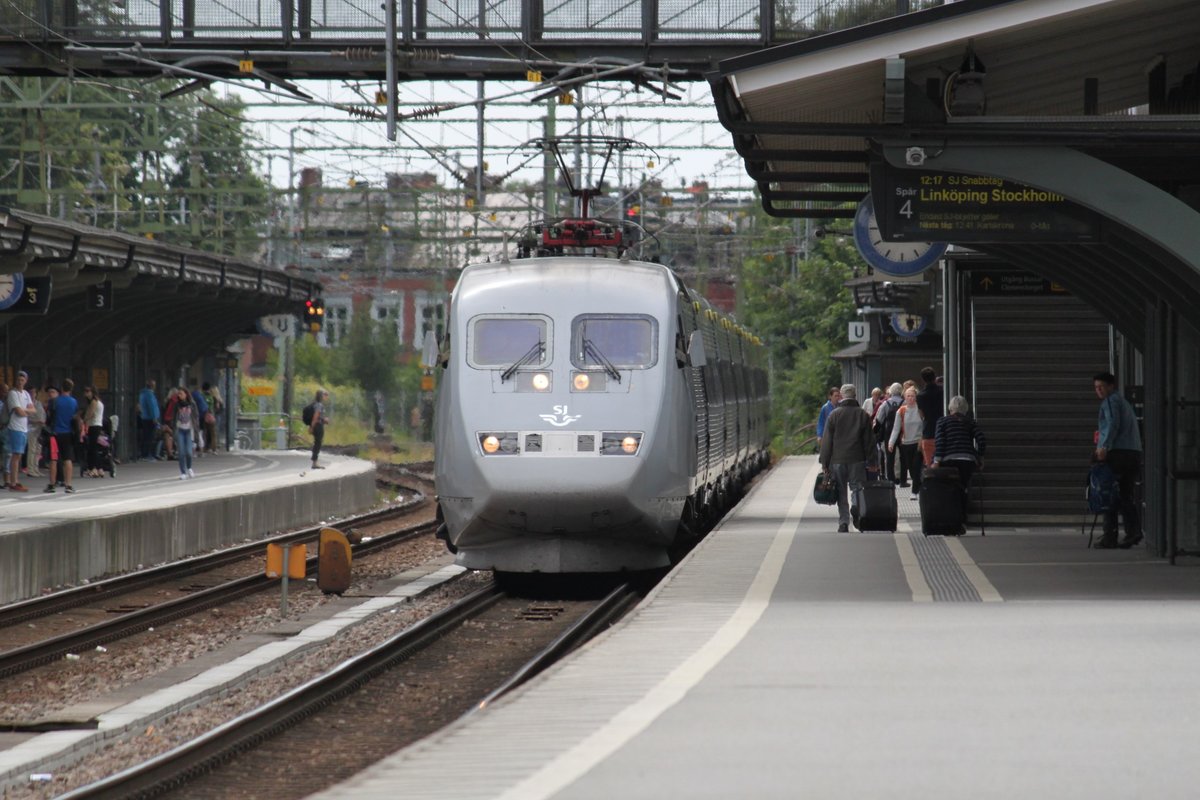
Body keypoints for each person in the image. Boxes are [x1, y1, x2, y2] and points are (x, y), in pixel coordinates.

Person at [1093, 372, 1143, 549]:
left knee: (1109, 493)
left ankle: (1110, 536)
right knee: (1125, 494)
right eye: (1096, 387)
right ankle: (1133, 531)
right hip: (1133, 452)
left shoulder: (1111, 401)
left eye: (1101, 387)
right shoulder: (1124, 402)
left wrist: (1103, 447)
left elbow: (1112, 423)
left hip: (1119, 453)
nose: (1098, 391)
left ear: (1111, 386)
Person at [818, 384, 874, 533]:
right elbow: (869, 441)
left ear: (842, 396)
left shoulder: (834, 415)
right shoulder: (863, 415)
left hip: (838, 460)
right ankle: (856, 508)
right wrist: (873, 460)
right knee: (857, 489)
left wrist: (824, 461)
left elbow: (827, 441)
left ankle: (843, 522)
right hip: (857, 459)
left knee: (841, 492)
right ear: (855, 396)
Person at [930, 395, 986, 511]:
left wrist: (936, 461)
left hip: (948, 460)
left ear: (950, 409)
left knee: (949, 487)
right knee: (963, 487)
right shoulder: (970, 421)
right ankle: (962, 516)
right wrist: (980, 456)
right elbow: (981, 439)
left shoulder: (942, 421)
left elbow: (940, 442)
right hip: (968, 460)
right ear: (965, 409)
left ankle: (951, 515)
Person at [889, 386, 924, 498]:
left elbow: (924, 425)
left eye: (912, 396)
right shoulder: (901, 411)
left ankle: (915, 492)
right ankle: (919, 486)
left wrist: (922, 439)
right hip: (906, 443)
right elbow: (896, 428)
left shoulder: (920, 410)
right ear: (904, 397)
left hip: (918, 443)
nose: (910, 398)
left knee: (917, 466)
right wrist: (891, 442)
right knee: (911, 468)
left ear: (916, 397)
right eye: (908, 396)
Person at [45, 378, 78, 494]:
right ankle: (68, 485)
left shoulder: (54, 401)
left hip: (55, 433)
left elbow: (48, 417)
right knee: (68, 459)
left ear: (61, 388)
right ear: (71, 389)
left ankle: (52, 484)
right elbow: (74, 417)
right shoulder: (74, 402)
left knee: (53, 459)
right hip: (68, 433)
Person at [6, 370, 35, 492]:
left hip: (24, 428)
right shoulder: (13, 393)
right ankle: (13, 482)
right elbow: (19, 412)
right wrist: (26, 411)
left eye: (22, 380)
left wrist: (26, 411)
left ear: (26, 381)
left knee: (19, 455)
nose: (20, 382)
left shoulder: (26, 394)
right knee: (16, 454)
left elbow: (33, 410)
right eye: (18, 379)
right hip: (15, 427)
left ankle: (15, 480)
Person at [873, 383, 902, 480]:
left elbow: (879, 420)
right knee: (902, 455)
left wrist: (875, 432)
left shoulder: (886, 404)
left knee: (889, 457)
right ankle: (902, 478)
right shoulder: (904, 402)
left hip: (888, 432)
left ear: (891, 392)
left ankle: (890, 477)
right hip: (902, 433)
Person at [915, 366, 943, 467]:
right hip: (943, 430)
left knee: (930, 464)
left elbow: (921, 415)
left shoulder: (920, 396)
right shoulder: (942, 392)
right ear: (934, 377)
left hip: (928, 431)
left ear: (923, 379)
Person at [173, 387, 197, 479]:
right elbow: (174, 417)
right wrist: (173, 428)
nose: (179, 395)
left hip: (189, 430)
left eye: (181, 393)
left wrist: (196, 430)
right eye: (178, 394)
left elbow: (196, 417)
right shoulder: (177, 405)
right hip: (180, 430)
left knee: (189, 452)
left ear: (186, 394)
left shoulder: (192, 404)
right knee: (181, 452)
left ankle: (189, 467)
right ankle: (183, 472)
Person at [81, 386, 106, 478]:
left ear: (92, 392)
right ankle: (99, 468)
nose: (86, 393)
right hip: (97, 425)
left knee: (92, 448)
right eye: (85, 391)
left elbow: (89, 414)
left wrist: (83, 419)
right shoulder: (98, 402)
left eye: (88, 391)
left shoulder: (94, 402)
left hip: (93, 426)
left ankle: (93, 468)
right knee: (94, 448)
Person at [137, 379, 160, 462]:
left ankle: (144, 454)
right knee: (149, 437)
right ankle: (147, 454)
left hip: (144, 417)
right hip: (150, 418)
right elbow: (152, 407)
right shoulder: (149, 394)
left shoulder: (142, 394)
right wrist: (154, 417)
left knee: (146, 436)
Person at [309, 388, 329, 469]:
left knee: (317, 443)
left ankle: (315, 461)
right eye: (325, 395)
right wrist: (311, 427)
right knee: (318, 443)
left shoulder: (315, 404)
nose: (326, 397)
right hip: (318, 426)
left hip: (317, 425)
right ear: (321, 396)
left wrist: (324, 420)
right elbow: (316, 416)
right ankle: (315, 462)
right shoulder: (319, 405)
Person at [202, 381, 223, 453]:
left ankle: (205, 447)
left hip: (204, 416)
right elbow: (218, 407)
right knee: (213, 433)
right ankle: (214, 448)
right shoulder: (213, 398)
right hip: (212, 416)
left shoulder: (202, 396)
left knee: (205, 432)